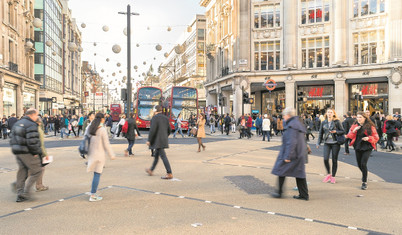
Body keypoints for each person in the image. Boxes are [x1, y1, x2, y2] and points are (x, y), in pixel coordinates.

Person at [271, 107, 309, 200]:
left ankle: (279, 192)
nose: (283, 117)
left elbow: (291, 142)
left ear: (288, 115)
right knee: (299, 174)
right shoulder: (297, 123)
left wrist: (288, 156)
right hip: (299, 153)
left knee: (281, 170)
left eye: (284, 115)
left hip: (292, 154)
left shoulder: (291, 126)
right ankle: (304, 195)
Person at [10, 109, 43, 202]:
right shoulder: (31, 124)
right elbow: (32, 141)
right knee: (37, 171)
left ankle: (20, 193)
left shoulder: (18, 123)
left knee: (22, 171)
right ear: (32, 115)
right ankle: (26, 192)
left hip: (18, 151)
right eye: (36, 115)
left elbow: (11, 137)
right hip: (27, 151)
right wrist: (36, 152)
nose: (37, 117)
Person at [85, 113, 116, 202]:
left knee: (96, 174)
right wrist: (111, 155)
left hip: (91, 153)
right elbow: (106, 144)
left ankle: (94, 191)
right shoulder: (102, 129)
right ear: (102, 119)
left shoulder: (90, 127)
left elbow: (86, 139)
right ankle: (93, 194)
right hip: (99, 155)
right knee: (97, 174)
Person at [346, 111, 379, 190]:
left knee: (363, 164)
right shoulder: (355, 126)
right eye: (357, 117)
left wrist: (368, 138)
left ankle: (364, 182)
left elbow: (376, 137)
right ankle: (365, 174)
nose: (359, 119)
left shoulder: (370, 126)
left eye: (360, 117)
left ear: (365, 118)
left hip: (367, 146)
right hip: (358, 145)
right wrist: (354, 131)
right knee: (359, 164)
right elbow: (349, 136)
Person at [316, 108, 345, 184]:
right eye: (328, 112)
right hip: (327, 143)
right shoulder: (324, 122)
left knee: (334, 160)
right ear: (326, 113)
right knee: (325, 159)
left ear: (333, 114)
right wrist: (318, 142)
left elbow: (343, 131)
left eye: (331, 112)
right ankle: (328, 174)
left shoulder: (337, 122)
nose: (329, 113)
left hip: (335, 143)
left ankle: (333, 176)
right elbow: (320, 133)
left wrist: (336, 131)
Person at [145, 105, 173, 179]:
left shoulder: (155, 118)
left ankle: (169, 172)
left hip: (158, 141)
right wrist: (164, 136)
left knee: (163, 156)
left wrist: (149, 140)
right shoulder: (166, 118)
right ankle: (151, 170)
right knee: (156, 156)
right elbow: (169, 130)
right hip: (163, 140)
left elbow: (152, 130)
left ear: (155, 111)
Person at [35, 117, 50, 192]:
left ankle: (39, 184)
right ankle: (39, 185)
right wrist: (45, 154)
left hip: (33, 151)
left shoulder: (31, 128)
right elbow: (41, 144)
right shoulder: (38, 129)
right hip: (37, 151)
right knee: (41, 169)